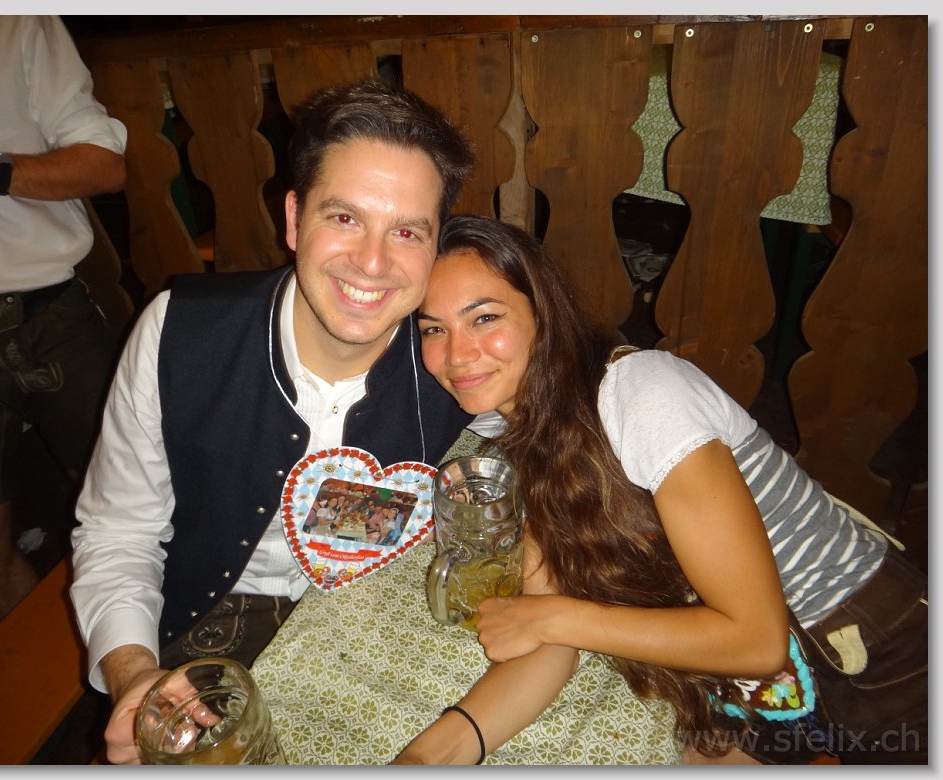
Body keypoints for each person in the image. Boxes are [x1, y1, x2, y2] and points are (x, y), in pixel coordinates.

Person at [395, 215, 927, 765]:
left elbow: (755, 641)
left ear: (543, 314)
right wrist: (428, 757)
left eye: (484, 317)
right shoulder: (503, 439)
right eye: (433, 328)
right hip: (751, 699)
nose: (457, 354)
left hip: (876, 656)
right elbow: (548, 637)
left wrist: (552, 616)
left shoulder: (643, 393)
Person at [69, 78, 476, 763]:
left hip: (380, 625)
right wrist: (134, 672)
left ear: (436, 248)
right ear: (293, 219)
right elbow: (118, 532)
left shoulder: (457, 359)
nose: (372, 262)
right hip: (208, 628)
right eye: (343, 217)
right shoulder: (179, 333)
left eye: (407, 231)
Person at [0, 15, 127, 623]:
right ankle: (59, 672)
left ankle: (165, 648)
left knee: (125, 498)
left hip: (48, 314)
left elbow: (106, 166)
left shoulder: (7, 17)